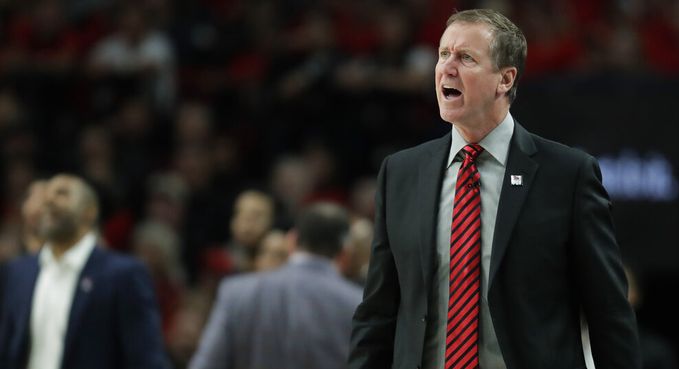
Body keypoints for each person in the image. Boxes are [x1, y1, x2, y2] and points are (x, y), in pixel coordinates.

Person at [348, 9, 640, 369]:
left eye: (466, 58)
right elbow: (378, 311)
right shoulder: (401, 172)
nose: (446, 68)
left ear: (505, 79)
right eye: (443, 54)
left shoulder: (568, 174)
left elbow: (609, 312)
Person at [0, 174, 169, 369]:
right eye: (46, 195)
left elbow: (146, 358)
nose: (49, 200)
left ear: (90, 212)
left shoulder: (123, 274)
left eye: (62, 193)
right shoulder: (18, 272)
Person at [189, 202, 362, 369]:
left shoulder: (236, 292)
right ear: (345, 253)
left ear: (291, 241)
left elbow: (206, 364)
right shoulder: (356, 303)